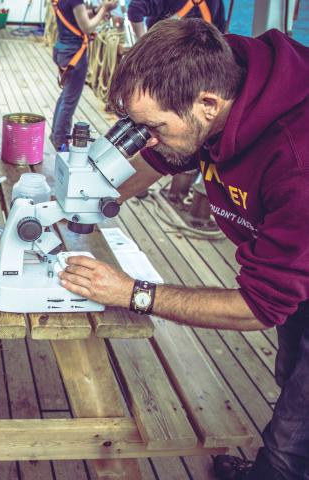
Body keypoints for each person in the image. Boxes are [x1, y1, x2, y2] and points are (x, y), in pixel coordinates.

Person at [58, 19, 308, 480]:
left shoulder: (296, 162)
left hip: (288, 266)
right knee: (291, 374)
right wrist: (84, 202)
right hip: (294, 262)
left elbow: (258, 306)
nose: (145, 137)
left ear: (208, 106)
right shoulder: (217, 79)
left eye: (152, 126)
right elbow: (157, 157)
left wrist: (133, 292)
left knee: (296, 431)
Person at [50, 0, 118, 151]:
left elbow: (75, 16)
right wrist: (105, 9)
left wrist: (97, 10)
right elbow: (87, 27)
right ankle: (60, 141)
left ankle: (56, 134)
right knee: (69, 100)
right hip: (74, 54)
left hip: (63, 49)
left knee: (65, 96)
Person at [127, 0, 226, 40]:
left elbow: (220, 30)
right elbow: (135, 10)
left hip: (197, 56)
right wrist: (143, 42)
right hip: (164, 53)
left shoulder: (216, 2)